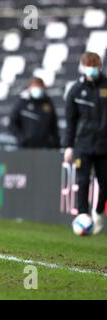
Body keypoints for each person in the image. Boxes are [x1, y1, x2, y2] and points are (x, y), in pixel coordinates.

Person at [63, 51, 107, 234]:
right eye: (89, 66)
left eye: (95, 66)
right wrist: (68, 145)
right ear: (83, 67)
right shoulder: (75, 90)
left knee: (105, 183)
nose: (92, 69)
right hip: (83, 144)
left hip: (104, 145)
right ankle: (82, 216)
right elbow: (70, 121)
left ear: (100, 67)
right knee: (83, 182)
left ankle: (97, 212)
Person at [9, 77, 60, 149]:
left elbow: (54, 126)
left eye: (39, 86)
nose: (37, 89)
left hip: (44, 146)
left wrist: (56, 144)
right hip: (25, 146)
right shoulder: (22, 102)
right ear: (29, 87)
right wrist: (21, 138)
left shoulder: (48, 103)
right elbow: (13, 123)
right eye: (35, 86)